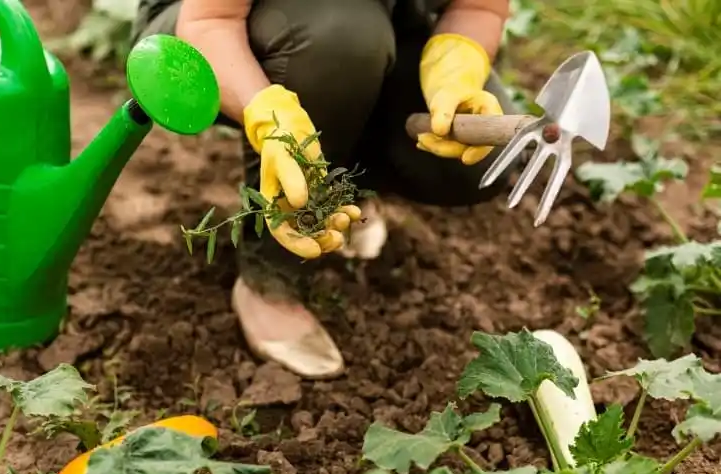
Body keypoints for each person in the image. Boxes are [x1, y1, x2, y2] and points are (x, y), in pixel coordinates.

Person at [131, 0, 521, 379]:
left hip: (376, 28)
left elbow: (479, 7)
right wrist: (268, 116)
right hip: (208, 34)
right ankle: (270, 272)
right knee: (345, 38)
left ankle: (346, 182)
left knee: (481, 162)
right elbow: (209, 22)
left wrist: (453, 74)